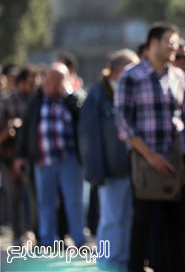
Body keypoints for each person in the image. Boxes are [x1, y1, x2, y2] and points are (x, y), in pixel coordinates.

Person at [114, 22, 185, 272]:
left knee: (174, 228)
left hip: (173, 162)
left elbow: (181, 117)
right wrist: (151, 156)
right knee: (142, 225)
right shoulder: (131, 76)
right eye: (170, 41)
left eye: (176, 42)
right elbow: (123, 123)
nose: (174, 47)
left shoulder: (177, 76)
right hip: (145, 163)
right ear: (153, 43)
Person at [13, 62, 87, 247]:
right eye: (51, 78)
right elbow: (26, 129)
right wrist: (20, 155)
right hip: (43, 159)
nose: (54, 83)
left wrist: (68, 95)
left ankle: (78, 239)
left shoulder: (73, 99)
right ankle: (47, 240)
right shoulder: (36, 100)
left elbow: (83, 117)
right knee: (45, 202)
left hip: (69, 158)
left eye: (59, 79)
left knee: (73, 201)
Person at [79, 49, 139, 270]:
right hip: (111, 171)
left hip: (132, 168)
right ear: (116, 71)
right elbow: (89, 136)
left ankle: (123, 261)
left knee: (128, 218)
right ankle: (106, 263)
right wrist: (95, 171)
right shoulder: (97, 94)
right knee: (111, 219)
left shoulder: (132, 92)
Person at [0, 66, 40, 243]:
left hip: (31, 156)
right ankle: (17, 236)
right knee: (13, 197)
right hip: (8, 158)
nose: (33, 87)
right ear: (21, 83)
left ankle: (33, 232)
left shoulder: (37, 101)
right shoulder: (5, 101)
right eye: (30, 83)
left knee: (33, 198)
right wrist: (9, 131)